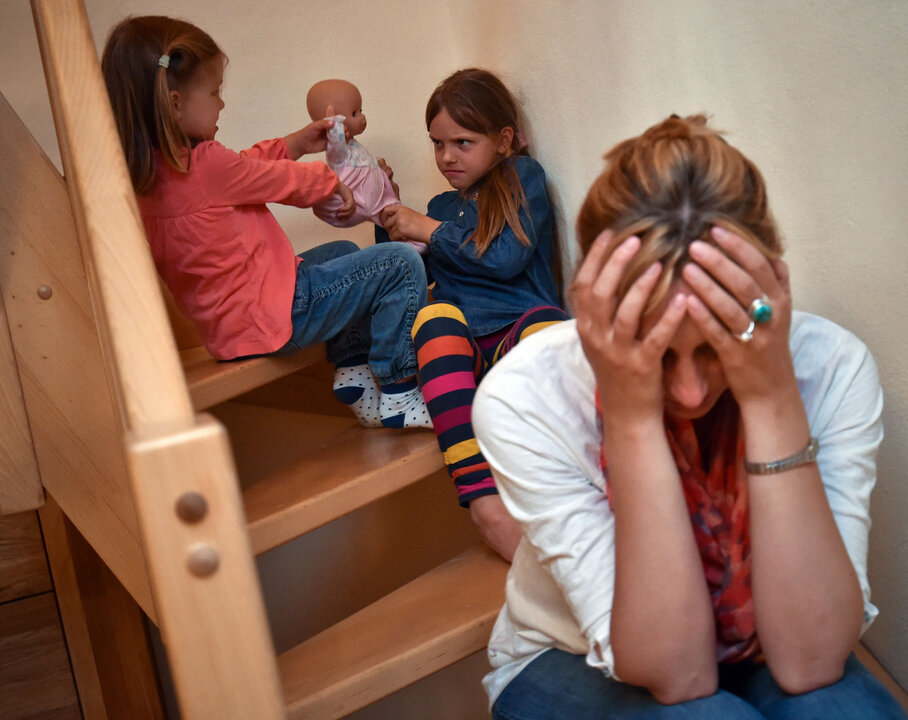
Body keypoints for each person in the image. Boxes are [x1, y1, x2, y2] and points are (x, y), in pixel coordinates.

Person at [472, 114, 906, 718]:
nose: (691, 390)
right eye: (654, 352)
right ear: (593, 309)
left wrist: (772, 398)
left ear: (767, 290)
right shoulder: (526, 396)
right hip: (568, 653)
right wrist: (630, 417)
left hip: (769, 645)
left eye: (713, 348)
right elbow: (679, 674)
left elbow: (811, 663)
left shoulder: (829, 367)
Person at [101, 15, 431, 429]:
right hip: (277, 314)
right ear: (174, 103)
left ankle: (352, 370)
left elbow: (243, 168)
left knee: (342, 252)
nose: (221, 104)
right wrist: (332, 179)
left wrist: (296, 142)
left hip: (230, 329)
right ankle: (400, 389)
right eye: (214, 92)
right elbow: (275, 181)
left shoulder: (150, 178)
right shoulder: (206, 164)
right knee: (398, 262)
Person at [378, 68, 569, 561]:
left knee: (553, 325)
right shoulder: (442, 204)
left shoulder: (523, 178)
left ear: (503, 140)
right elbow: (409, 274)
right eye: (437, 144)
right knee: (433, 316)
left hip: (517, 333)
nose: (446, 157)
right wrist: (387, 215)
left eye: (462, 142)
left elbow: (507, 258)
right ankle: (483, 499)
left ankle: (569, 473)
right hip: (467, 354)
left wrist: (429, 227)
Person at [304, 78, 425, 257]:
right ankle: (410, 249)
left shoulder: (352, 145)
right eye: (354, 113)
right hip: (360, 200)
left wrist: (377, 165)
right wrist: (333, 125)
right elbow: (336, 143)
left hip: (378, 198)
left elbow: (362, 160)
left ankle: (413, 248)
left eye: (361, 110)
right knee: (394, 220)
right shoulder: (337, 152)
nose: (362, 117)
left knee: (398, 222)